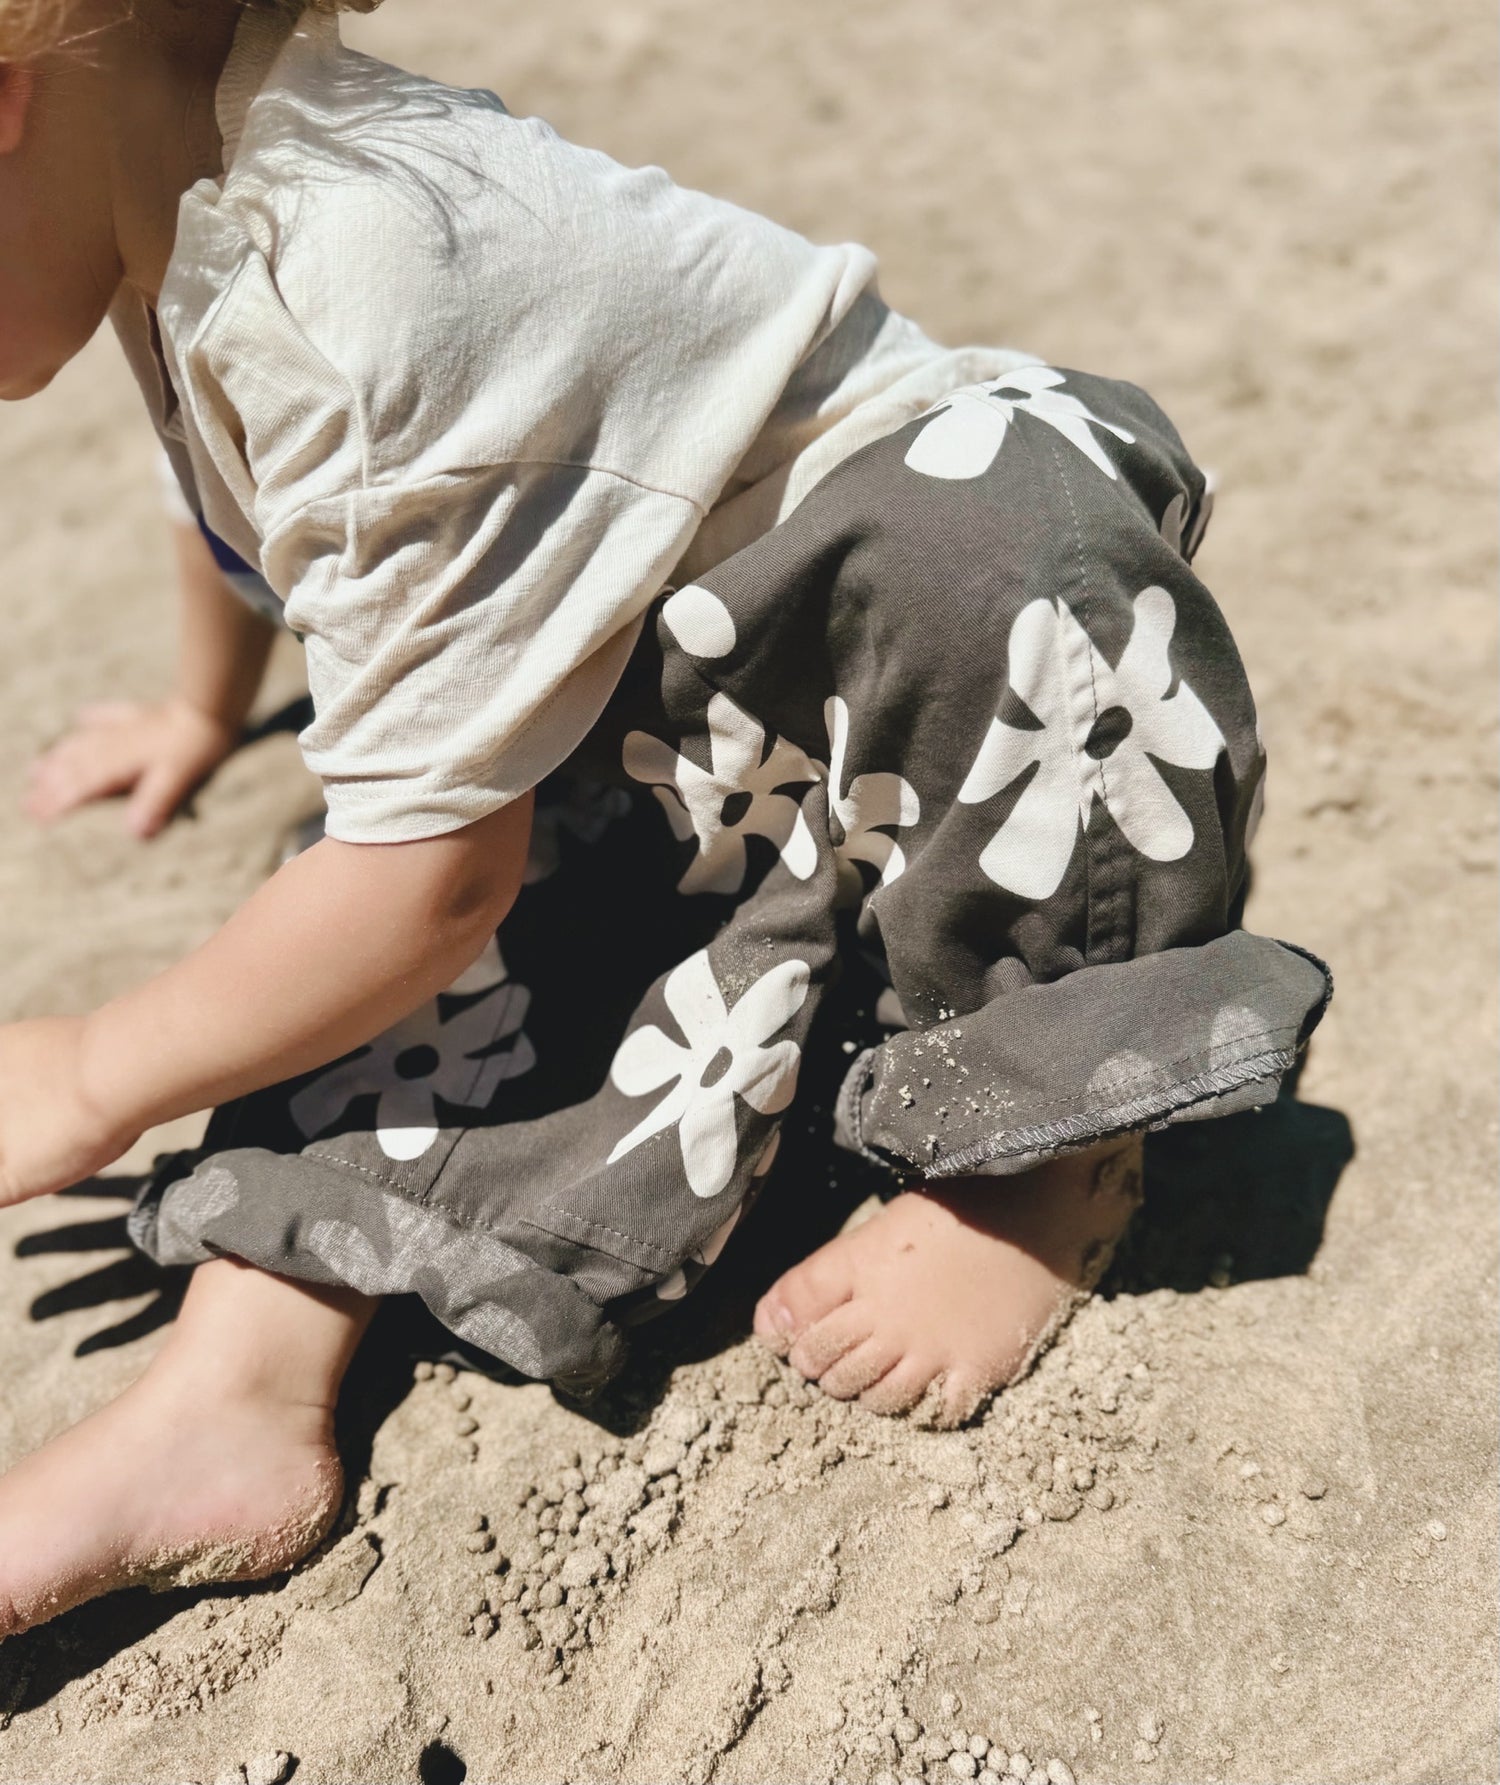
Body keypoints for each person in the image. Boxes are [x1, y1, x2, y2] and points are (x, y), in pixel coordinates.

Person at [0, 0, 1330, 1637]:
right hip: (693, 734)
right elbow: (254, 512)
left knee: (993, 544)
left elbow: (426, 884)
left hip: (890, 662)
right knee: (377, 941)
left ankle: (1041, 1161)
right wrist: (207, 709)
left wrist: (89, 1073)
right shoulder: (186, 209)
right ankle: (234, 1382)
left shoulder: (353, 279)